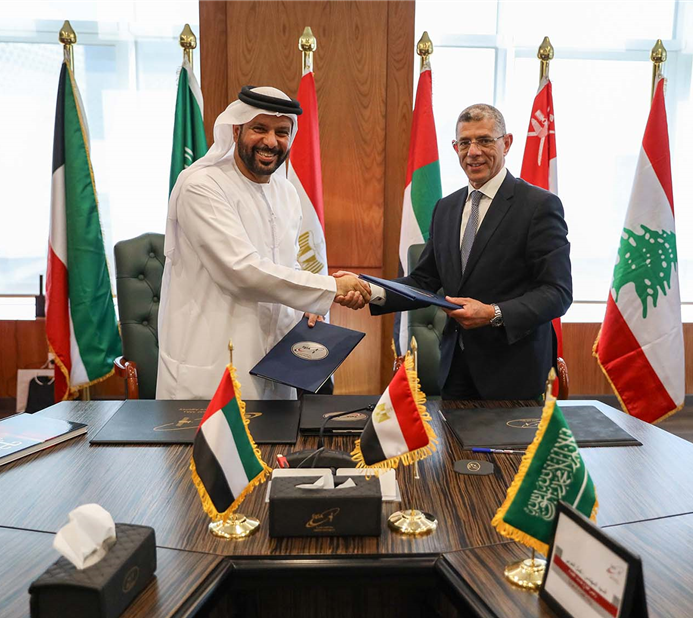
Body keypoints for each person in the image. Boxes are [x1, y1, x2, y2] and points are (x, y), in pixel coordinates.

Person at [157, 86, 369, 400]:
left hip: (278, 367)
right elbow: (241, 271)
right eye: (260, 128)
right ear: (236, 130)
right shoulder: (201, 186)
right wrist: (330, 288)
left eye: (282, 132)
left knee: (279, 434)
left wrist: (309, 306)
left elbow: (285, 265)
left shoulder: (286, 192)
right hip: (211, 365)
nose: (271, 141)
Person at [367, 103, 571, 399]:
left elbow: (557, 292)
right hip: (454, 370)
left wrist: (492, 313)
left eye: (485, 140)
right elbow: (423, 281)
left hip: (515, 374)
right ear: (455, 148)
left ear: (507, 143)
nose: (473, 152)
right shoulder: (446, 208)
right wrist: (369, 290)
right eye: (465, 143)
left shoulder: (538, 205)